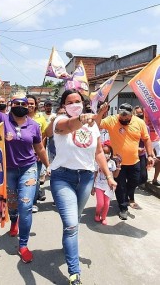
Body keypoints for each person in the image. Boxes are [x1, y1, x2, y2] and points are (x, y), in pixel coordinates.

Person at [0, 72, 49, 264]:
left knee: (26, 206)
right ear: (10, 105)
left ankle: (23, 245)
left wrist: (49, 166)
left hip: (29, 169)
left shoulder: (33, 126)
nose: (20, 106)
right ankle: (14, 220)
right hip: (7, 170)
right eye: (16, 103)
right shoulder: (2, 119)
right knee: (13, 206)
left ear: (28, 107)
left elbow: (39, 148)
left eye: (24, 104)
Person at [49, 89, 117, 285]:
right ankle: (74, 273)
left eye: (77, 101)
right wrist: (81, 118)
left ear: (83, 102)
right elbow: (69, 125)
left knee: (74, 220)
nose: (74, 104)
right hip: (62, 177)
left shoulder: (93, 126)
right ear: (63, 106)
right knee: (71, 224)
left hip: (86, 178)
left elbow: (98, 153)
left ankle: (67, 243)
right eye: (69, 102)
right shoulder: (59, 122)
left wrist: (109, 176)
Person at [97, 103, 154, 220]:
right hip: (117, 162)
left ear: (131, 115)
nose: (123, 119)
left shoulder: (139, 122)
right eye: (121, 117)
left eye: (126, 117)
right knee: (120, 186)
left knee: (141, 179)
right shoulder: (112, 120)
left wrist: (150, 155)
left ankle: (124, 195)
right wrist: (101, 113)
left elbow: (146, 139)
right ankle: (123, 208)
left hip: (135, 161)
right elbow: (97, 124)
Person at [26, 94, 48, 212]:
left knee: (35, 179)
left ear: (35, 105)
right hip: (24, 154)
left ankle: (33, 202)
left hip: (37, 154)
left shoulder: (40, 118)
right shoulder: (19, 117)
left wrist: (40, 152)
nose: (29, 105)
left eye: (32, 103)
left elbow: (44, 136)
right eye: (27, 103)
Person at [91, 141, 120, 225]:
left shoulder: (112, 163)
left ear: (111, 153)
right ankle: (97, 214)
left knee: (106, 204)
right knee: (100, 203)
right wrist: (93, 187)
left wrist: (118, 166)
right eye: (104, 152)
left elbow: (115, 175)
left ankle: (103, 217)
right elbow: (95, 174)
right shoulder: (97, 162)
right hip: (99, 185)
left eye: (108, 153)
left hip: (109, 187)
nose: (106, 154)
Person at [133, 106, 149, 193]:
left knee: (143, 176)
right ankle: (130, 194)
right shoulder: (130, 126)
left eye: (140, 113)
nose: (139, 115)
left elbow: (147, 140)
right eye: (137, 113)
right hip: (132, 155)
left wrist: (150, 155)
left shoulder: (146, 127)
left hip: (142, 154)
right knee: (134, 176)